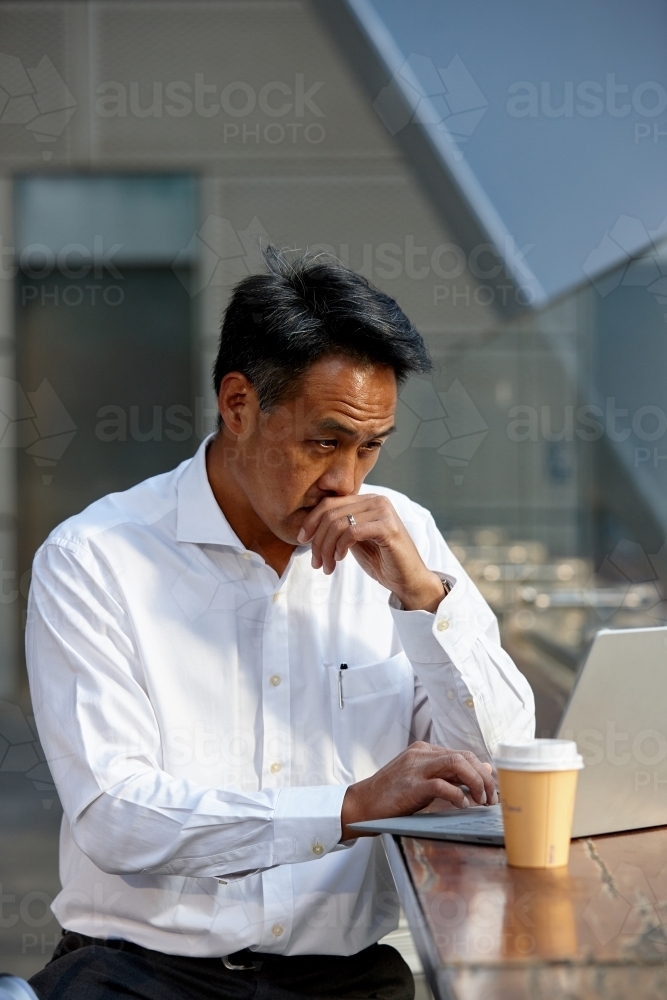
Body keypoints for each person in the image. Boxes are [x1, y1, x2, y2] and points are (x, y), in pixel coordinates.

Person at [27, 248, 535, 1000]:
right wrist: (346, 807)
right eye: (322, 443)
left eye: (369, 447)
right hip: (138, 973)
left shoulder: (406, 538)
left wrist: (423, 602)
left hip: (343, 978)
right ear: (238, 405)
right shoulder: (94, 559)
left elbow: (503, 770)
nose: (346, 481)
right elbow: (115, 815)